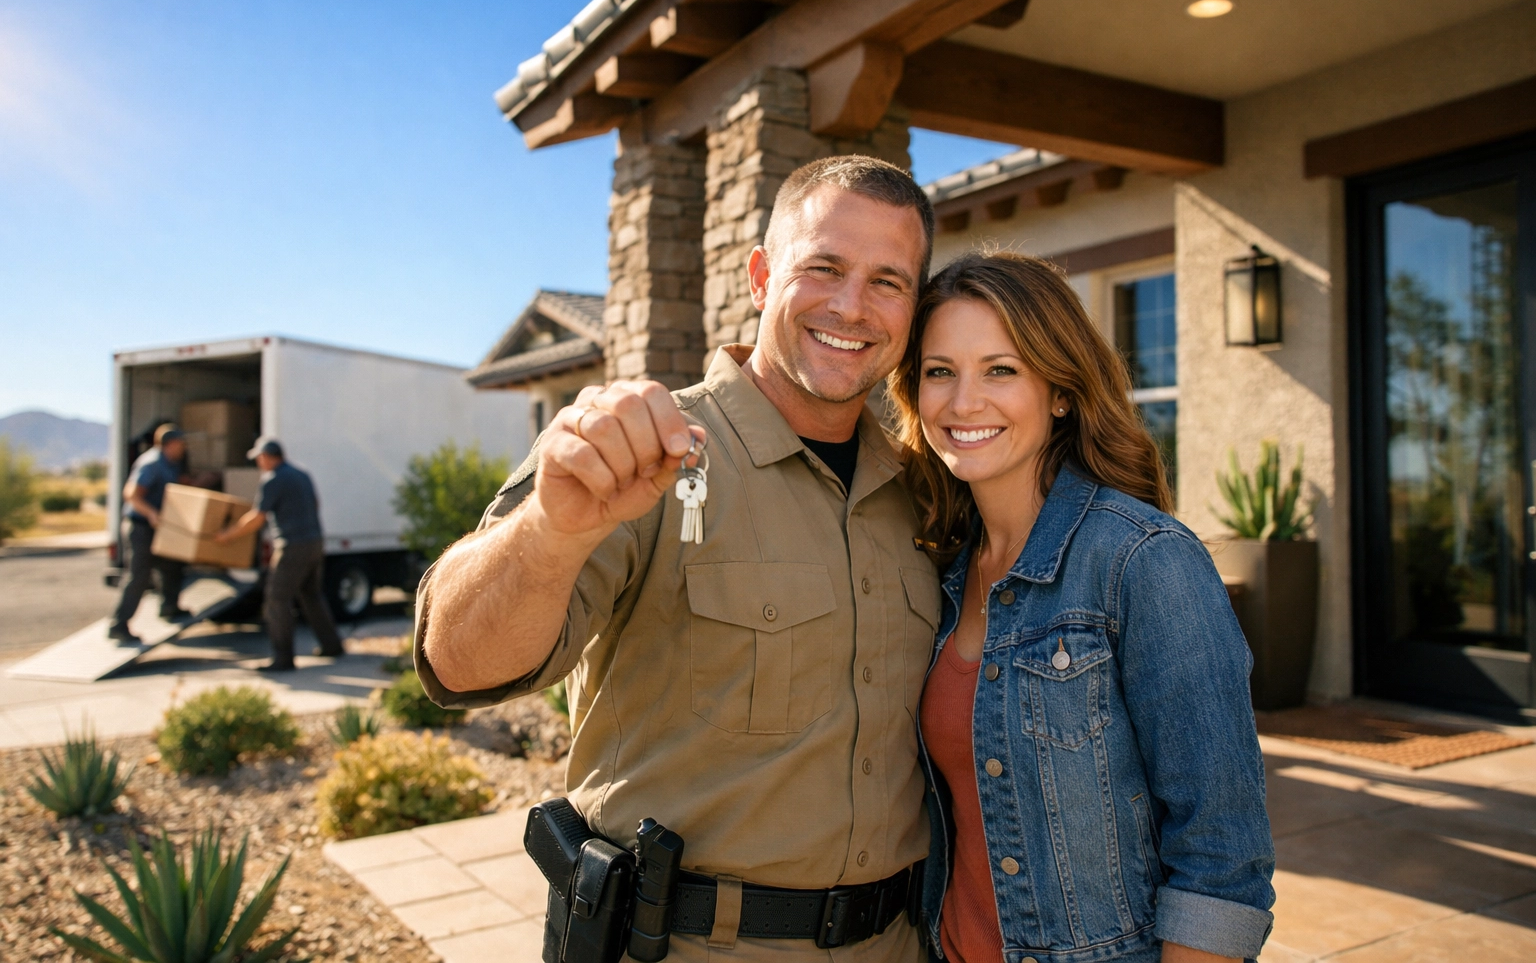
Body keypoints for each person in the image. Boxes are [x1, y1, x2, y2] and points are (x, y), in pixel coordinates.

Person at [416, 155, 941, 962]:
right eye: (824, 268)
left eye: (887, 282)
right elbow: (455, 664)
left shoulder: (925, 492)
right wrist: (552, 530)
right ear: (761, 277)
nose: (850, 306)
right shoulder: (645, 455)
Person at [888, 250, 1275, 963]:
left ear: (1060, 392)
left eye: (1001, 370)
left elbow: (1222, 858)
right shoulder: (939, 568)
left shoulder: (1144, 560)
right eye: (940, 371)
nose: (963, 402)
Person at [215, 437, 344, 672]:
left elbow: (257, 517)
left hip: (292, 546)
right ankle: (332, 645)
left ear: (267, 457)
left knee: (277, 600)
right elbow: (316, 504)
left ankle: (283, 658)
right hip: (315, 542)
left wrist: (228, 535)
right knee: (311, 595)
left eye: (259, 459)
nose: (258, 464)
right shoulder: (302, 474)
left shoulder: (272, 479)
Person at [110, 423, 190, 641]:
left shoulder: (171, 463)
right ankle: (119, 625)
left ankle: (170, 607)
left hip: (157, 528)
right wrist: (151, 513)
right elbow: (131, 494)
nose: (183, 447)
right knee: (139, 576)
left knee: (172, 565)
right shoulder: (152, 463)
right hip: (141, 527)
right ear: (169, 444)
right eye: (180, 443)